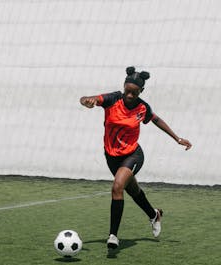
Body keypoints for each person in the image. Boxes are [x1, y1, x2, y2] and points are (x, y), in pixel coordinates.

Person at [80, 66, 192, 251]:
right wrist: (87, 101)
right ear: (123, 87)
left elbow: (156, 120)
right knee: (132, 189)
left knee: (117, 187)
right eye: (128, 91)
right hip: (112, 156)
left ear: (141, 91)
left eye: (135, 92)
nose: (130, 95)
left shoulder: (142, 107)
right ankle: (154, 214)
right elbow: (87, 98)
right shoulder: (112, 99)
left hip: (133, 155)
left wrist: (177, 138)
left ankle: (113, 236)